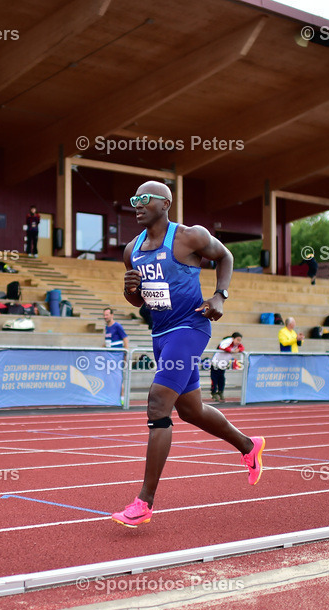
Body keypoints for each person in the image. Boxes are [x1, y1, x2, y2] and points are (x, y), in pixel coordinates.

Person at [111, 180, 265, 528]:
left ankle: (144, 502)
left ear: (165, 203)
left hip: (190, 327)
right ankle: (248, 446)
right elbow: (139, 301)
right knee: (191, 410)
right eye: (133, 199)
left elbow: (225, 255)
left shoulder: (189, 236)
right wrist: (130, 292)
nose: (136, 204)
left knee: (157, 404)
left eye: (144, 199)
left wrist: (220, 296)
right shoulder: (131, 249)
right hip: (161, 333)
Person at [210, 331, 244, 402]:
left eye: (240, 340)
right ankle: (213, 393)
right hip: (216, 363)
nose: (238, 342)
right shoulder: (227, 341)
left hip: (223, 365)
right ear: (233, 338)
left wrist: (238, 349)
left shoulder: (237, 344)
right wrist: (232, 351)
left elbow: (242, 347)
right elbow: (222, 347)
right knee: (214, 380)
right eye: (237, 340)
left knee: (222, 380)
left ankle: (220, 392)